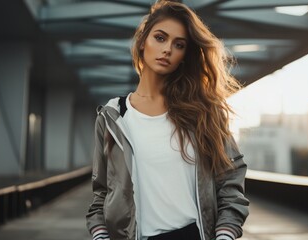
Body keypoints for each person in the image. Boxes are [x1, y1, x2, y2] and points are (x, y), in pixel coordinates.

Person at [86, 1, 249, 239]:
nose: (167, 50)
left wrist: (225, 235)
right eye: (160, 38)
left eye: (179, 45)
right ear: (143, 42)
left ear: (184, 56)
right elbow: (101, 195)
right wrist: (101, 236)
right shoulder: (112, 117)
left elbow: (231, 182)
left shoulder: (202, 113)